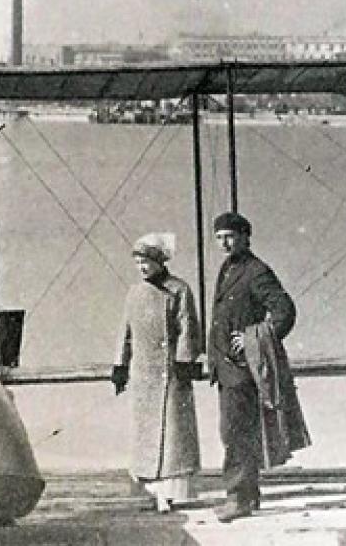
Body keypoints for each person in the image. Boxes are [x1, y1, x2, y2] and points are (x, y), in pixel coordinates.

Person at [208, 212, 309, 522]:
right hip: (226, 369)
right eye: (219, 238)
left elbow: (285, 311)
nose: (224, 243)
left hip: (242, 370)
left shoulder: (256, 271)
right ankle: (248, 497)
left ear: (245, 237)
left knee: (235, 432)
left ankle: (238, 498)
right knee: (236, 432)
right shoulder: (228, 269)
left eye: (230, 236)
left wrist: (253, 337)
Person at [112, 232, 202, 513]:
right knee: (145, 434)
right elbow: (125, 332)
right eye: (138, 262)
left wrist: (185, 361)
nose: (142, 267)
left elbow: (189, 328)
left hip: (172, 373)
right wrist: (120, 365)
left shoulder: (179, 290)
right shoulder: (134, 293)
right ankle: (149, 493)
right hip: (143, 374)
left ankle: (174, 493)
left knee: (173, 434)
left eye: (146, 261)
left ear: (160, 261)